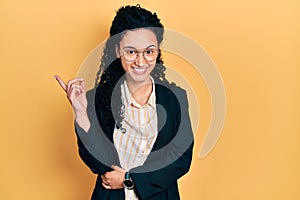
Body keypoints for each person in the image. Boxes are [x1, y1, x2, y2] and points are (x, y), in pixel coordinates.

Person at [55, 5, 194, 200]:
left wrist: (130, 179)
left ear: (157, 51)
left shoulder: (176, 98)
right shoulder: (97, 99)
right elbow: (99, 164)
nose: (141, 61)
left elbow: (181, 160)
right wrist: (81, 113)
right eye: (131, 52)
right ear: (117, 50)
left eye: (149, 52)